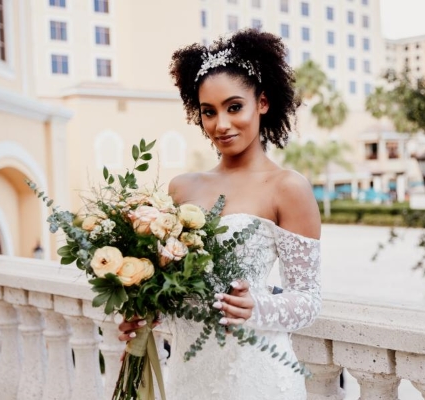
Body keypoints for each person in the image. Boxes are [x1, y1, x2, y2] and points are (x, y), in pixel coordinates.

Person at [118, 28, 322, 400]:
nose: (221, 125)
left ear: (261, 103)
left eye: (234, 107)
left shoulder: (288, 188)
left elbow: (308, 300)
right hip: (188, 375)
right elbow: (176, 290)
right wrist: (144, 314)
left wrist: (257, 307)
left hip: (257, 375)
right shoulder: (181, 189)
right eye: (208, 112)